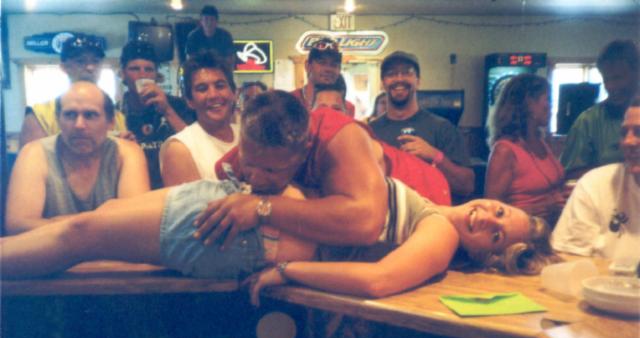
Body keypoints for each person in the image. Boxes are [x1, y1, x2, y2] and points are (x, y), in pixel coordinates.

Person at [1, 92, 553, 293]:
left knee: (84, 233)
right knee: (98, 220)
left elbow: (378, 277)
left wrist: (287, 270)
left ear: (487, 256)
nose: (488, 217)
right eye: (501, 211)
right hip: (244, 220)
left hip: (258, 238)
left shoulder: (438, 232)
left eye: (496, 234)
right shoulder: (428, 203)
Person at [5, 81, 149, 235]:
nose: (79, 125)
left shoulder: (126, 152)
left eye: (90, 115)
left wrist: (62, 224)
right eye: (70, 115)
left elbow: (134, 222)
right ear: (58, 119)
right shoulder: (34, 153)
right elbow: (18, 225)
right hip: (53, 250)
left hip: (103, 250)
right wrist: (99, 223)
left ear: (111, 122)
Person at [312, 80, 451, 205]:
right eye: (322, 108)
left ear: (347, 114)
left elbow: (369, 208)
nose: (328, 114)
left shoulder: (361, 141)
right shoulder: (306, 148)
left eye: (336, 109)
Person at [369, 51, 475, 201]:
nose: (399, 78)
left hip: (434, 213)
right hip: (384, 213)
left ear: (418, 81)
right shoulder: (370, 132)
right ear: (383, 83)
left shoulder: (443, 128)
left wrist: (435, 156)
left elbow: (467, 186)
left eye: (407, 73)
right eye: (391, 74)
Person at [552, 96, 640, 259]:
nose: (628, 141)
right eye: (623, 133)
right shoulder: (595, 184)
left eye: (639, 132)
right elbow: (567, 256)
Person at [484, 74, 566, 227]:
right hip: (523, 234)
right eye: (547, 100)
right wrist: (542, 208)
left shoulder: (541, 141)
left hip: (553, 229)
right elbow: (492, 211)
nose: (550, 107)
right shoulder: (505, 150)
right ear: (529, 104)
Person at [19, 34, 129, 146]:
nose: (90, 67)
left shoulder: (116, 116)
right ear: (64, 67)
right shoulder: (40, 115)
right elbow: (30, 156)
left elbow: (124, 153)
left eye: (95, 61)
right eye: (80, 61)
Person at [117, 40, 195, 189]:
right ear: (123, 74)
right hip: (136, 190)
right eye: (134, 69)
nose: (142, 75)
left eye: (149, 69)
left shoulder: (177, 105)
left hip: (177, 188)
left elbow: (196, 145)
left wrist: (167, 110)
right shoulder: (116, 113)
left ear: (156, 75)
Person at [560, 39, 640, 180]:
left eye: (617, 78)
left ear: (636, 74)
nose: (611, 86)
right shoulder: (588, 122)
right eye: (606, 80)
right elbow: (571, 174)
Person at [159, 52, 239, 186]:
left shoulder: (247, 135)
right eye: (202, 89)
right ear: (189, 101)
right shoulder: (180, 148)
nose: (213, 95)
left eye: (220, 86)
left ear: (233, 93)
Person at [290, 37, 356, 117]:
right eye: (322, 63)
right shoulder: (290, 102)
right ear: (308, 66)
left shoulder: (348, 108)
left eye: (334, 65)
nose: (328, 69)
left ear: (339, 69)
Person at [185, 5, 236, 69]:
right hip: (199, 70)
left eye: (212, 19)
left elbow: (230, 59)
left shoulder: (225, 36)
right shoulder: (193, 36)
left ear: (216, 21)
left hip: (219, 70)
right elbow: (189, 58)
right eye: (206, 19)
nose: (209, 23)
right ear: (201, 21)